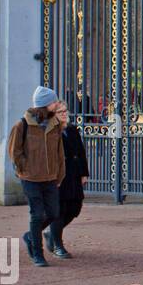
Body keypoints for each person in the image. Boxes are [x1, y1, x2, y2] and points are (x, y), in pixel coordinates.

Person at [7, 86, 67, 268]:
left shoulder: (55, 124)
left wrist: (59, 174)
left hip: (50, 178)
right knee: (36, 214)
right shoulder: (22, 125)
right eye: (54, 101)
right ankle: (38, 254)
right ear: (45, 104)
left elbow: (59, 152)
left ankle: (30, 236)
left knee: (53, 213)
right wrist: (24, 169)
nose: (57, 103)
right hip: (30, 178)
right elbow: (14, 151)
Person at [47, 102, 89, 259]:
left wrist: (84, 173)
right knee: (60, 210)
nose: (64, 114)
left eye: (65, 111)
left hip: (74, 173)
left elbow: (81, 151)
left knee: (75, 208)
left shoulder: (71, 129)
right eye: (60, 112)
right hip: (58, 176)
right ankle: (57, 245)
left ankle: (51, 235)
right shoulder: (50, 131)